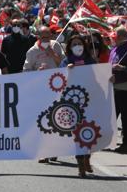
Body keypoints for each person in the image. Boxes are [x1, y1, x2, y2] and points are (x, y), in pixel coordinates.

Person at [24, 26, 65, 163]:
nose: (46, 39)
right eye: (43, 37)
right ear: (38, 37)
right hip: (40, 90)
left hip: (57, 88)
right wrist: (38, 71)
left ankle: (54, 150)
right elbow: (26, 72)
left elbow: (63, 63)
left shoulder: (56, 46)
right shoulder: (32, 51)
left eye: (48, 36)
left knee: (56, 120)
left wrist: (52, 53)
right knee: (43, 121)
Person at [60, 35, 96, 177]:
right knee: (77, 133)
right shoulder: (66, 61)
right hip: (72, 102)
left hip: (89, 100)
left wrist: (108, 77)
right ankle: (80, 163)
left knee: (90, 130)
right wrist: (66, 71)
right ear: (70, 47)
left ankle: (87, 158)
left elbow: (98, 76)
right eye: (74, 44)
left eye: (79, 43)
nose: (77, 46)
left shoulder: (90, 60)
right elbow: (59, 78)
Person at [109, 26, 127, 154]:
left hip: (126, 88)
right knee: (111, 117)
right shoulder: (114, 49)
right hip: (113, 87)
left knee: (126, 118)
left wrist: (123, 68)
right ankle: (108, 140)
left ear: (121, 36)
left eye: (115, 35)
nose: (112, 37)